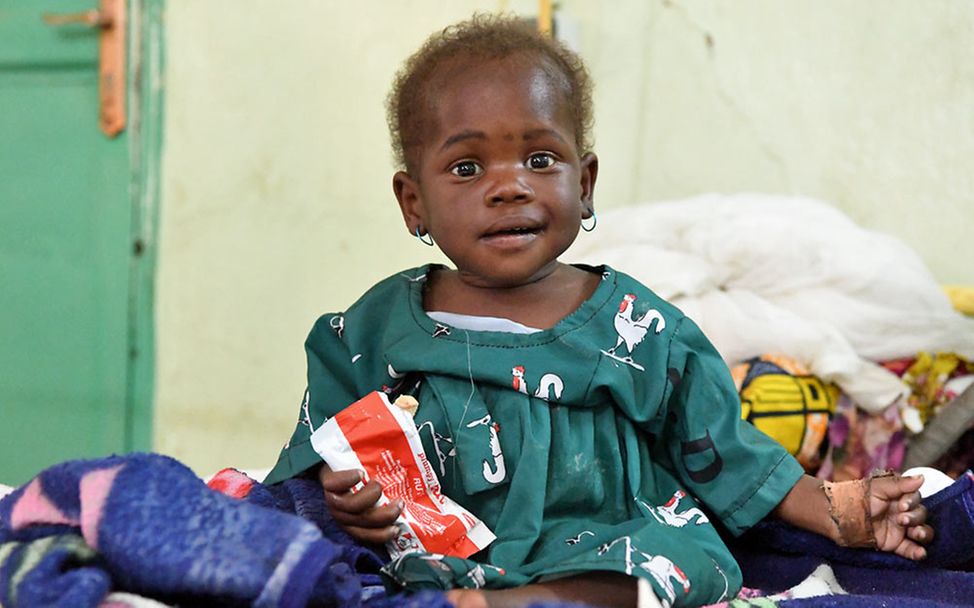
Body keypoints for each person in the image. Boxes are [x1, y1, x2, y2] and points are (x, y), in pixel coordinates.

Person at [263, 14, 932, 608]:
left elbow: (726, 453)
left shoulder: (638, 328)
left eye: (540, 158)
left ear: (583, 186)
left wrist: (841, 509)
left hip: (607, 542)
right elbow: (334, 439)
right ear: (414, 204)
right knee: (296, 540)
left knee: (673, 556)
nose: (510, 186)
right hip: (439, 552)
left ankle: (536, 601)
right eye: (467, 168)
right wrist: (347, 490)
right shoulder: (373, 330)